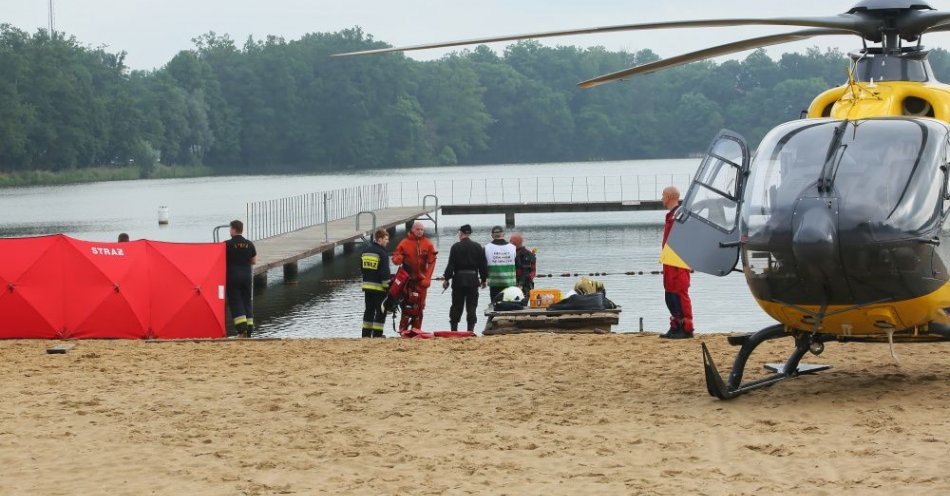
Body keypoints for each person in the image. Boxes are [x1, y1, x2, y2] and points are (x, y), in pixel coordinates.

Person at [660, 187, 694, 339]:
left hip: (679, 261)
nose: (661, 198)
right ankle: (675, 324)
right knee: (669, 294)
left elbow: (689, 238)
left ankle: (686, 328)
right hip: (669, 260)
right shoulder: (671, 216)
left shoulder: (681, 215)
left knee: (680, 293)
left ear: (669, 196)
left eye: (663, 195)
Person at [392, 221, 437, 331]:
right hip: (407, 282)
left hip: (421, 282)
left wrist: (427, 278)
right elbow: (396, 256)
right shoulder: (404, 243)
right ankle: (403, 330)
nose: (420, 231)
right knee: (406, 307)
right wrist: (397, 259)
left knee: (419, 308)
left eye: (421, 230)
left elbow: (432, 262)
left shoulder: (428, 244)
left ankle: (416, 330)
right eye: (417, 229)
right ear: (412, 230)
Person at [442, 224, 488, 332]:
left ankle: (454, 330)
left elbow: (451, 265)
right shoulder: (478, 247)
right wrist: (484, 279)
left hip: (458, 279)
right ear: (469, 233)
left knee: (456, 305)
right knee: (472, 305)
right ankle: (470, 330)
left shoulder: (455, 247)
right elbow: (483, 265)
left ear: (461, 233)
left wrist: (446, 279)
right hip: (473, 279)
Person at [225, 220, 257, 338]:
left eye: (230, 229)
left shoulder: (227, 244)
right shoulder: (249, 244)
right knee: (246, 301)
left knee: (236, 301)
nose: (230, 231)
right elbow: (253, 261)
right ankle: (249, 330)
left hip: (233, 276)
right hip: (246, 276)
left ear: (233, 229)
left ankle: (241, 330)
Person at [360, 228, 391, 338]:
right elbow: (384, 273)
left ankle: (366, 334)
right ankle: (377, 335)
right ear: (380, 239)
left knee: (369, 310)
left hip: (367, 286)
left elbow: (362, 269)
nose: (387, 241)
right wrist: (388, 288)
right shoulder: (382, 253)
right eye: (386, 239)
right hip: (379, 288)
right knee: (381, 311)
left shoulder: (365, 251)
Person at [484, 225, 516, 304]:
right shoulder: (513, 247)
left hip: (494, 284)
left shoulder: (486, 248)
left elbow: (483, 266)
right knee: (510, 306)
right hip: (510, 283)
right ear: (503, 234)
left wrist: (483, 279)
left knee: (496, 306)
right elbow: (517, 264)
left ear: (492, 235)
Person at [510, 232, 536, 296]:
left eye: (511, 241)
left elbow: (526, 272)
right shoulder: (511, 252)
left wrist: (520, 284)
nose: (509, 243)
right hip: (514, 281)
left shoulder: (527, 254)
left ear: (515, 243)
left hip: (525, 284)